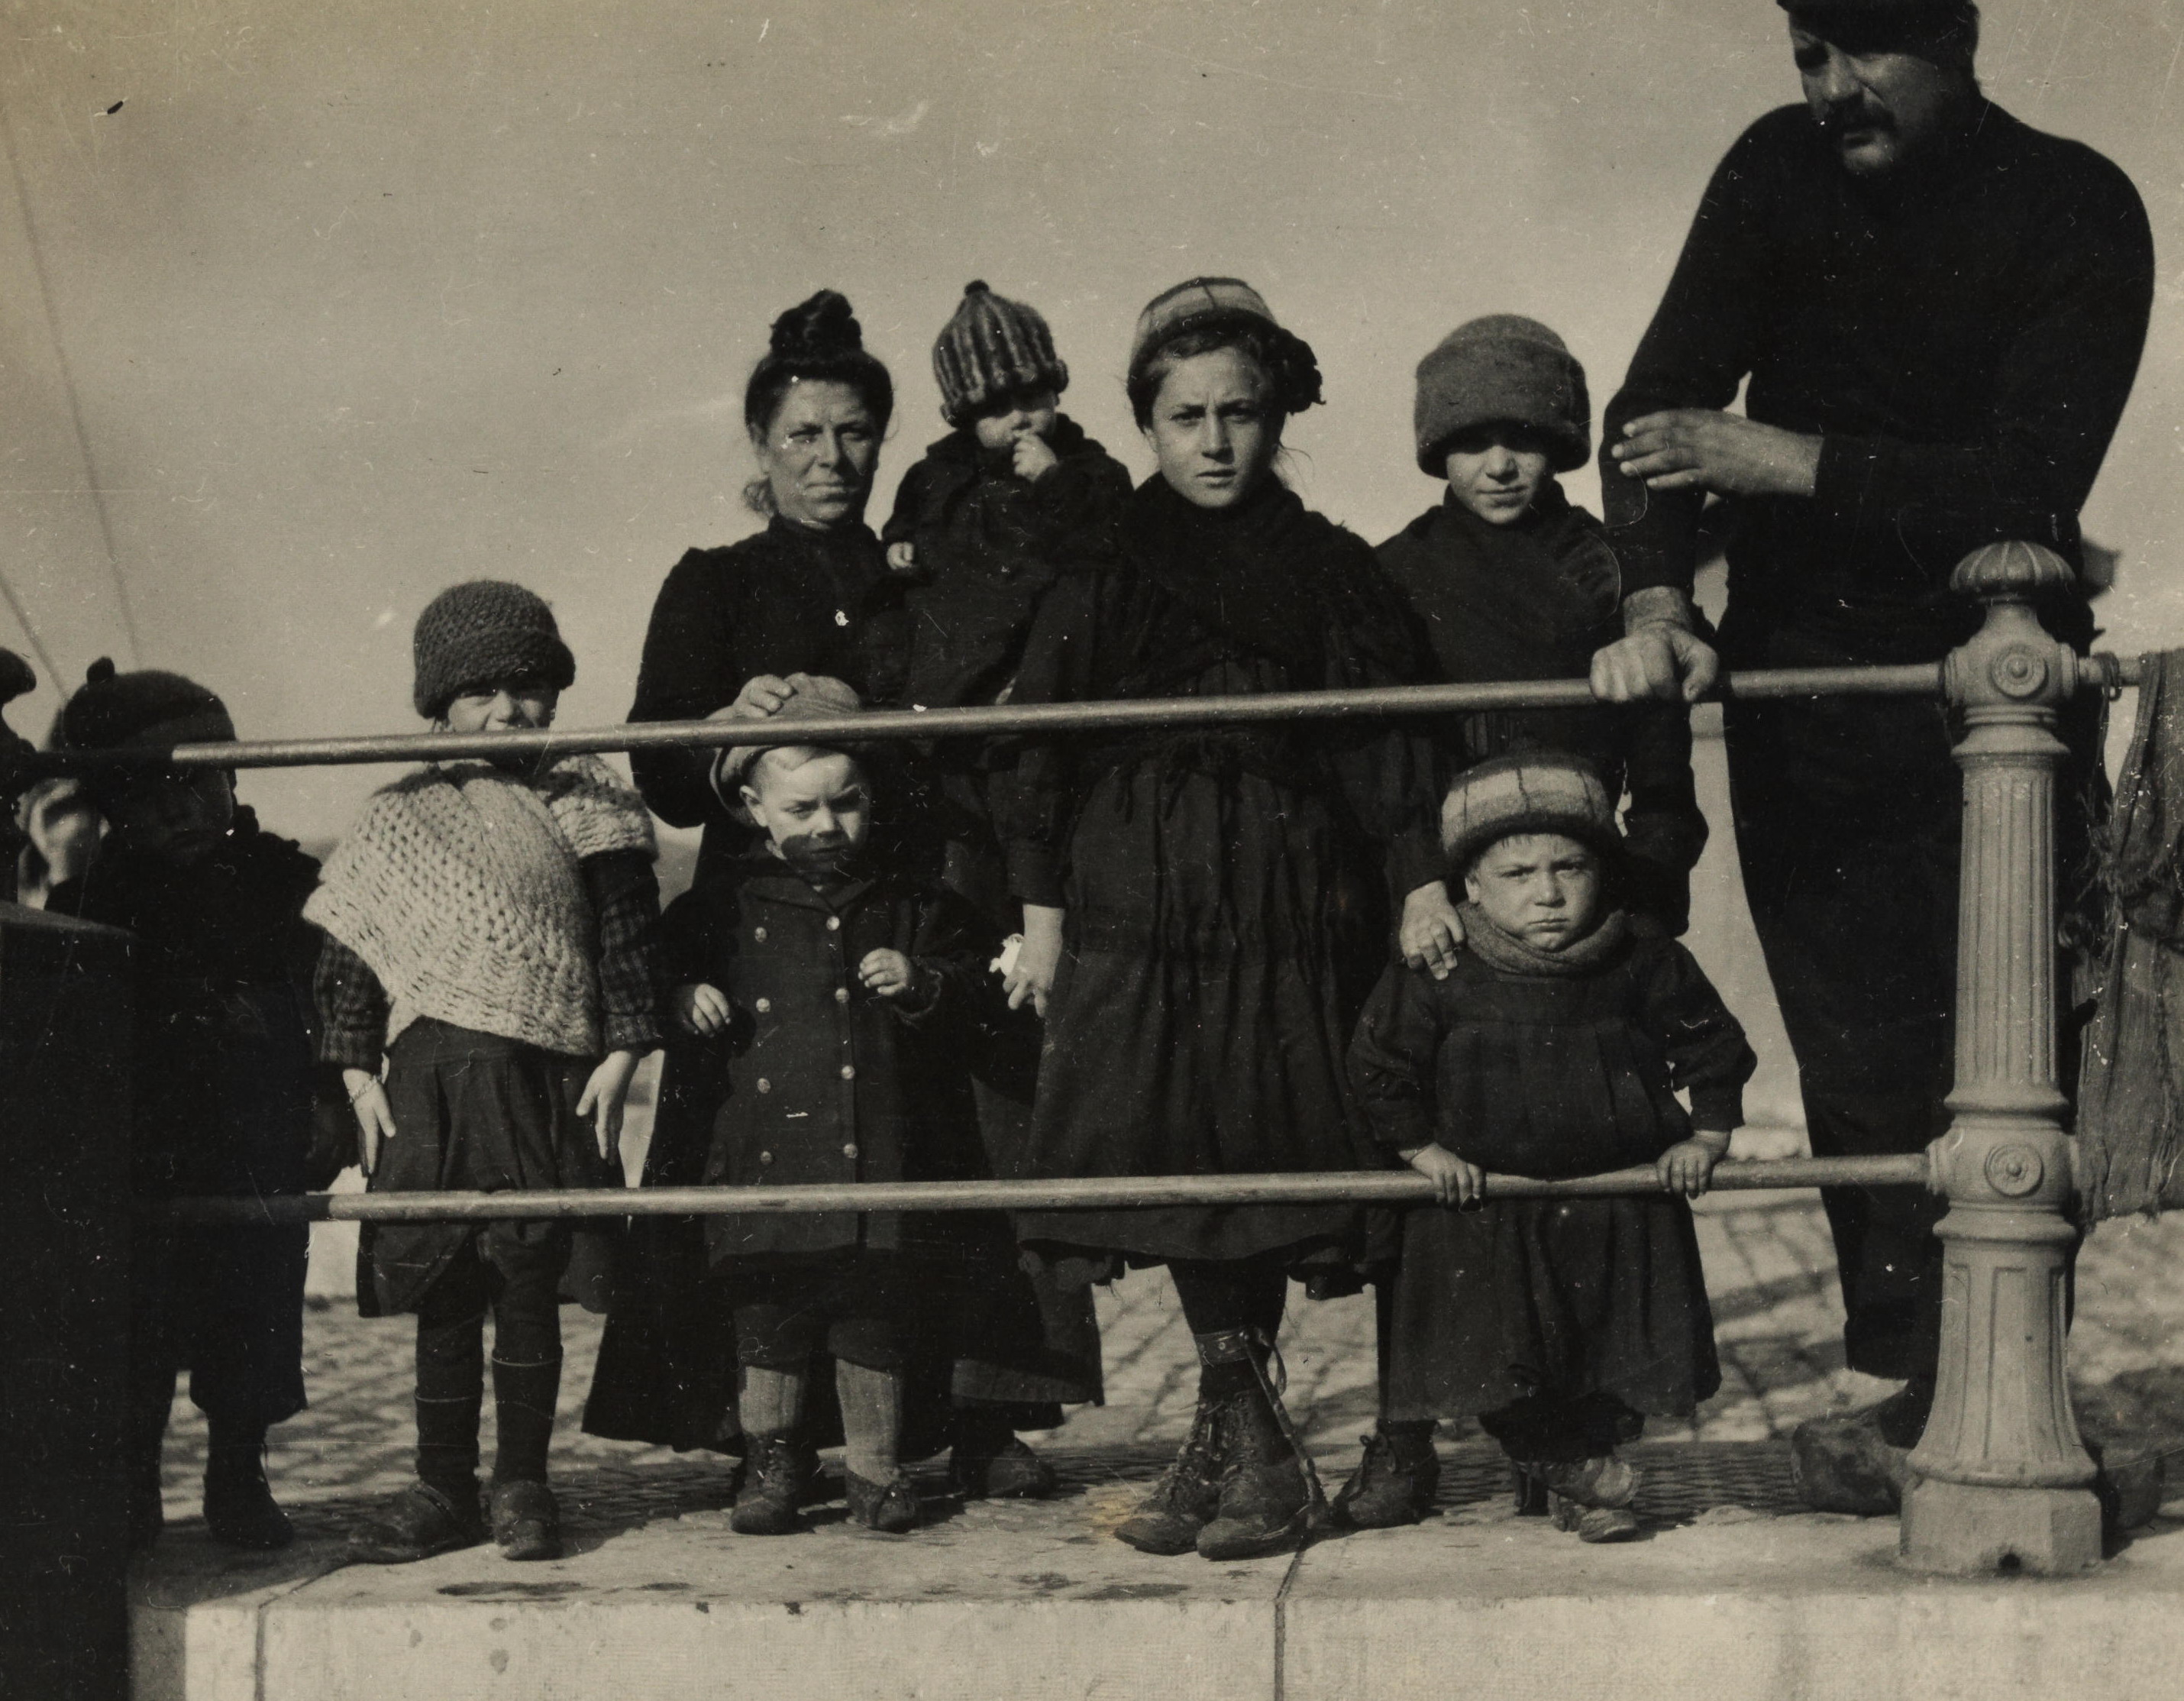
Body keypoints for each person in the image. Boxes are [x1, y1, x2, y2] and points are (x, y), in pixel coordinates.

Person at [1588, 0, 2153, 1499]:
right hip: (1803, 695)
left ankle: (2012, 1391)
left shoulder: (2076, 204)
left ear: (1950, 41)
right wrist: (1654, 589)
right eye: (1805, 55)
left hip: (1997, 701)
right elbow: (1650, 413)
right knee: (1850, 1064)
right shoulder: (1775, 172)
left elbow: (2028, 488)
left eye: (1861, 53)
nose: (1832, 89)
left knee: (2009, 1053)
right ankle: (1915, 1400)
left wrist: (1780, 461)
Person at [596, 289, 1089, 1499]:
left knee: (947, 1133)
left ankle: (972, 1412)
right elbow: (659, 771)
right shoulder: (712, 581)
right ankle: (749, 1424)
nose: (832, 459)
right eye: (804, 436)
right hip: (761, 916)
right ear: (761, 449)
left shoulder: (918, 567)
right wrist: (719, 725)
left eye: (856, 432)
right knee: (752, 1159)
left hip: (909, 895)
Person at [994, 277, 1444, 1560]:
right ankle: (1243, 1442)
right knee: (1181, 1157)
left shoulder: (1331, 572)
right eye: (1184, 413)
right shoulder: (1102, 569)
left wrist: (1417, 879)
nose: (1213, 441)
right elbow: (1039, 747)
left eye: (1240, 411)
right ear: (1143, 421)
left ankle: (1240, 1450)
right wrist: (1043, 917)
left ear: (1277, 415)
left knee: (1257, 1140)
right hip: (1136, 897)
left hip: (1284, 897)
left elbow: (1390, 747)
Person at [309, 581, 664, 1564]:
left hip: (544, 1074)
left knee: (526, 1275)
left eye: (528, 687)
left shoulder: (593, 802)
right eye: (480, 692)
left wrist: (625, 1045)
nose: (508, 710)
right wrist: (354, 1070)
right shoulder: (396, 812)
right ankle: (439, 1486)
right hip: (427, 1081)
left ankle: (522, 1484)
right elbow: (350, 953)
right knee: (445, 1284)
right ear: (439, 703)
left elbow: (630, 941)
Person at [1348, 754, 1756, 1542]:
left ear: (1603, 869)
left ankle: (1582, 1479)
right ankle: (1555, 1459)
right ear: (1469, 885)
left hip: (1614, 1193)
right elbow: (1378, 1064)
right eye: (1516, 873)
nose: (1547, 893)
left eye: (1571, 866)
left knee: (1606, 1347)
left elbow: (1710, 1041)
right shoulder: (1443, 966)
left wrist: (1707, 1133)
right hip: (1487, 1202)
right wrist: (1423, 1151)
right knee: (1494, 1355)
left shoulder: (1638, 952)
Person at [661, 727, 1006, 1534]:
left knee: (871, 1310)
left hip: (874, 1148)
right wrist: (683, 999)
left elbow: (968, 980)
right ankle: (773, 1462)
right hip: (762, 1152)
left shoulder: (907, 899)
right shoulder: (718, 904)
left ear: (872, 801)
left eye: (845, 803)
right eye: (801, 807)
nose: (826, 824)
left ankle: (877, 1470)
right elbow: (661, 972)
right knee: (768, 1311)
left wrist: (920, 978)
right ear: (753, 809)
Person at [47, 661, 325, 1551]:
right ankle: (134, 1487)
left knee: (253, 1314)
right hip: (141, 1142)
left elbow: (327, 997)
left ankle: (236, 1476)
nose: (177, 810)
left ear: (233, 775)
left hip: (253, 1132)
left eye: (196, 782)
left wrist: (326, 1095)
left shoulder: (282, 882)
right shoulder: (92, 893)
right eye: (145, 794)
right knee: (136, 1321)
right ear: (108, 808)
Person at [1379, 314, 1709, 957]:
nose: (1500, 466)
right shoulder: (1395, 572)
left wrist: (1650, 870)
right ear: (1437, 448)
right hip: (1452, 887)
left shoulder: (1616, 566)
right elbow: (1388, 755)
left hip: (1583, 878)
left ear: (1558, 444)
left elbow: (1659, 748)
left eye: (1523, 440)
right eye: (1473, 442)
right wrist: (1420, 879)